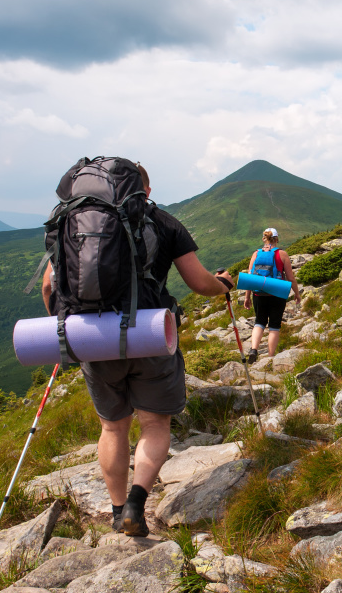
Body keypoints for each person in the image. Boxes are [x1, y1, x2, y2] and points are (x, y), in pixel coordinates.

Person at [41, 162, 233, 536]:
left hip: (94, 338)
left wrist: (68, 328)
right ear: (143, 190)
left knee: (112, 429)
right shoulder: (162, 221)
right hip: (149, 334)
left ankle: (115, 511)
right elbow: (199, 283)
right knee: (155, 422)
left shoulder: (73, 221)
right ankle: (136, 502)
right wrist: (223, 285)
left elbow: (50, 286)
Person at [243, 227, 301, 363]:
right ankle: (270, 357)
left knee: (259, 322)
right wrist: (297, 294)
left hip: (258, 293)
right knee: (274, 325)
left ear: (264, 238)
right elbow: (291, 278)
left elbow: (250, 277)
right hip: (277, 293)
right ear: (277, 239)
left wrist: (247, 297)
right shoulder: (282, 254)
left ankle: (253, 349)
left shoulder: (256, 254)